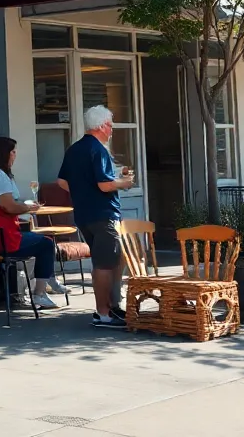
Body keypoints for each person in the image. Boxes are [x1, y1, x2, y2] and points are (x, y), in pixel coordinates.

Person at [57, 105, 134, 328]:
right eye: (110, 125)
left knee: (110, 259)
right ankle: (103, 313)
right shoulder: (98, 149)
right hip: (103, 213)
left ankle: (111, 306)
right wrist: (124, 183)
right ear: (101, 126)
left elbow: (62, 181)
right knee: (105, 264)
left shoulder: (74, 149)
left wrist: (83, 192)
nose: (111, 129)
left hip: (84, 214)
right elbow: (104, 184)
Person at [0, 136, 70, 310]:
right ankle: (40, 293)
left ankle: (49, 280)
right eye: (13, 152)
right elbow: (8, 206)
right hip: (1, 237)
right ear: (5, 153)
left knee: (42, 240)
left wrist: (24, 206)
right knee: (46, 243)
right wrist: (28, 208)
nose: (15, 155)